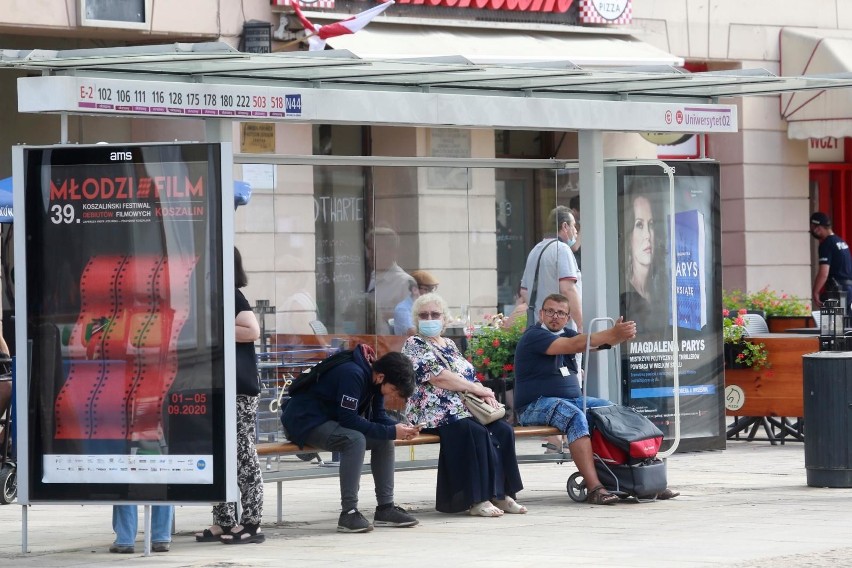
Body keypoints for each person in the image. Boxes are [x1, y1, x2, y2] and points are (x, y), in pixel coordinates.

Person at [513, 293, 679, 504]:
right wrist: (611, 332)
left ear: (567, 317)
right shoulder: (534, 336)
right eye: (550, 311)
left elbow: (596, 345)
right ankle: (595, 488)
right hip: (534, 405)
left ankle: (644, 481)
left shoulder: (569, 333)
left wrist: (619, 335)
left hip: (571, 400)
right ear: (541, 314)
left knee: (614, 413)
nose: (554, 316)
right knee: (574, 417)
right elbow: (574, 345)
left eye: (561, 313)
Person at [402, 293, 526, 517]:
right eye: (423, 315)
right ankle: (476, 500)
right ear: (416, 319)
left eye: (435, 314)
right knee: (474, 432)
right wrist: (476, 389)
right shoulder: (414, 344)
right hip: (433, 411)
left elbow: (466, 376)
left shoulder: (449, 343)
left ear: (445, 319)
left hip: (464, 408)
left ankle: (501, 493)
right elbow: (438, 377)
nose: (429, 318)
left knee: (503, 430)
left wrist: (485, 394)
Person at [281, 347, 421, 533]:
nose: (393, 394)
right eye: (394, 389)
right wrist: (391, 431)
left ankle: (385, 508)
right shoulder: (353, 373)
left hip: (329, 421)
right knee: (354, 440)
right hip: (305, 421)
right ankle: (349, 512)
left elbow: (379, 417)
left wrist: (402, 429)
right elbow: (349, 419)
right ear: (381, 377)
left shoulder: (377, 379)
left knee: (384, 439)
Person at [196, 247, 265, 544]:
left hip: (238, 388)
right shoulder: (208, 295)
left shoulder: (232, 294)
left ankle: (252, 521)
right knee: (219, 453)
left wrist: (216, 327)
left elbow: (252, 331)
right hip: (217, 385)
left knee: (242, 453)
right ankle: (223, 520)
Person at [520, 205, 582, 332]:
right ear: (565, 226)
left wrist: (544, 316)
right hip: (562, 332)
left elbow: (524, 291)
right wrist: (581, 324)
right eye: (574, 226)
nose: (576, 231)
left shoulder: (535, 250)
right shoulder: (562, 249)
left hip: (541, 328)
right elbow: (568, 289)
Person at [620, 181, 666, 328]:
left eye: (651, 224)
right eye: (639, 225)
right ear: (628, 236)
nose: (647, 234)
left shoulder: (662, 288)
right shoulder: (623, 293)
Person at [367, 227, 416, 335]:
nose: (371, 254)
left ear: (392, 251)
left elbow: (412, 322)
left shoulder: (405, 282)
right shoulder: (369, 278)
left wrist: (383, 315)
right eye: (370, 249)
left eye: (377, 249)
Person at [809, 211, 852, 311]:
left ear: (818, 228)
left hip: (838, 291)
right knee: (847, 324)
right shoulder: (841, 241)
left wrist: (815, 291)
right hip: (849, 289)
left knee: (833, 325)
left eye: (812, 228)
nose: (812, 231)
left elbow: (824, 273)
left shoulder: (827, 244)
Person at [393, 270, 439, 335]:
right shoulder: (402, 309)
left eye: (431, 290)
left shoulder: (424, 306)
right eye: (427, 289)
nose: (430, 293)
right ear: (414, 290)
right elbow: (412, 332)